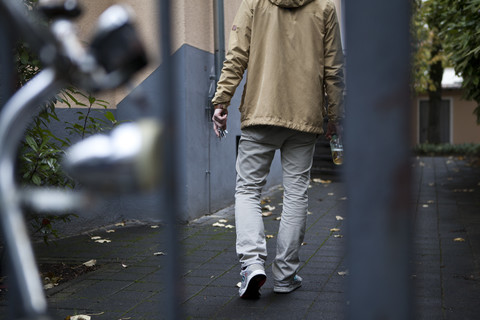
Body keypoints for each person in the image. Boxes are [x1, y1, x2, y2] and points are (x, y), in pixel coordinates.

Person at [211, 0, 344, 299]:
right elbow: (333, 67)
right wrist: (334, 116)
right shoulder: (325, 7)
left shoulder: (253, 2)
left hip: (261, 111)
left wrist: (222, 100)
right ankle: (285, 275)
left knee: (247, 190)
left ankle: (252, 264)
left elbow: (237, 55)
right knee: (296, 192)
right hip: (305, 116)